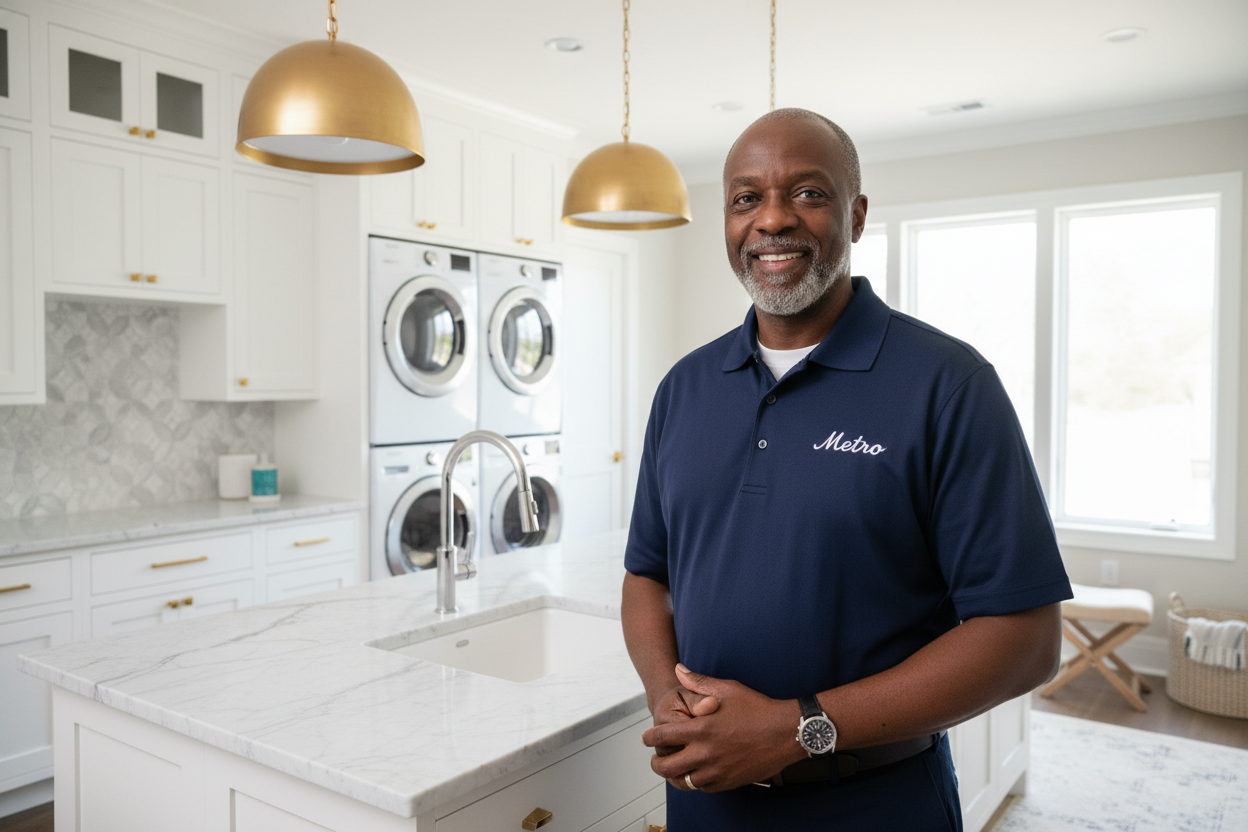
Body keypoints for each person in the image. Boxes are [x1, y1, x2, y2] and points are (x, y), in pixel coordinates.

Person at [621, 108, 1073, 830]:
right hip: (706, 804)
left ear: (856, 216)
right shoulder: (684, 388)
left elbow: (1025, 639)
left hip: (876, 803)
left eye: (807, 193)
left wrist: (796, 729)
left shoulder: (948, 384)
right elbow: (648, 574)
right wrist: (662, 696)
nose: (772, 219)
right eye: (746, 198)